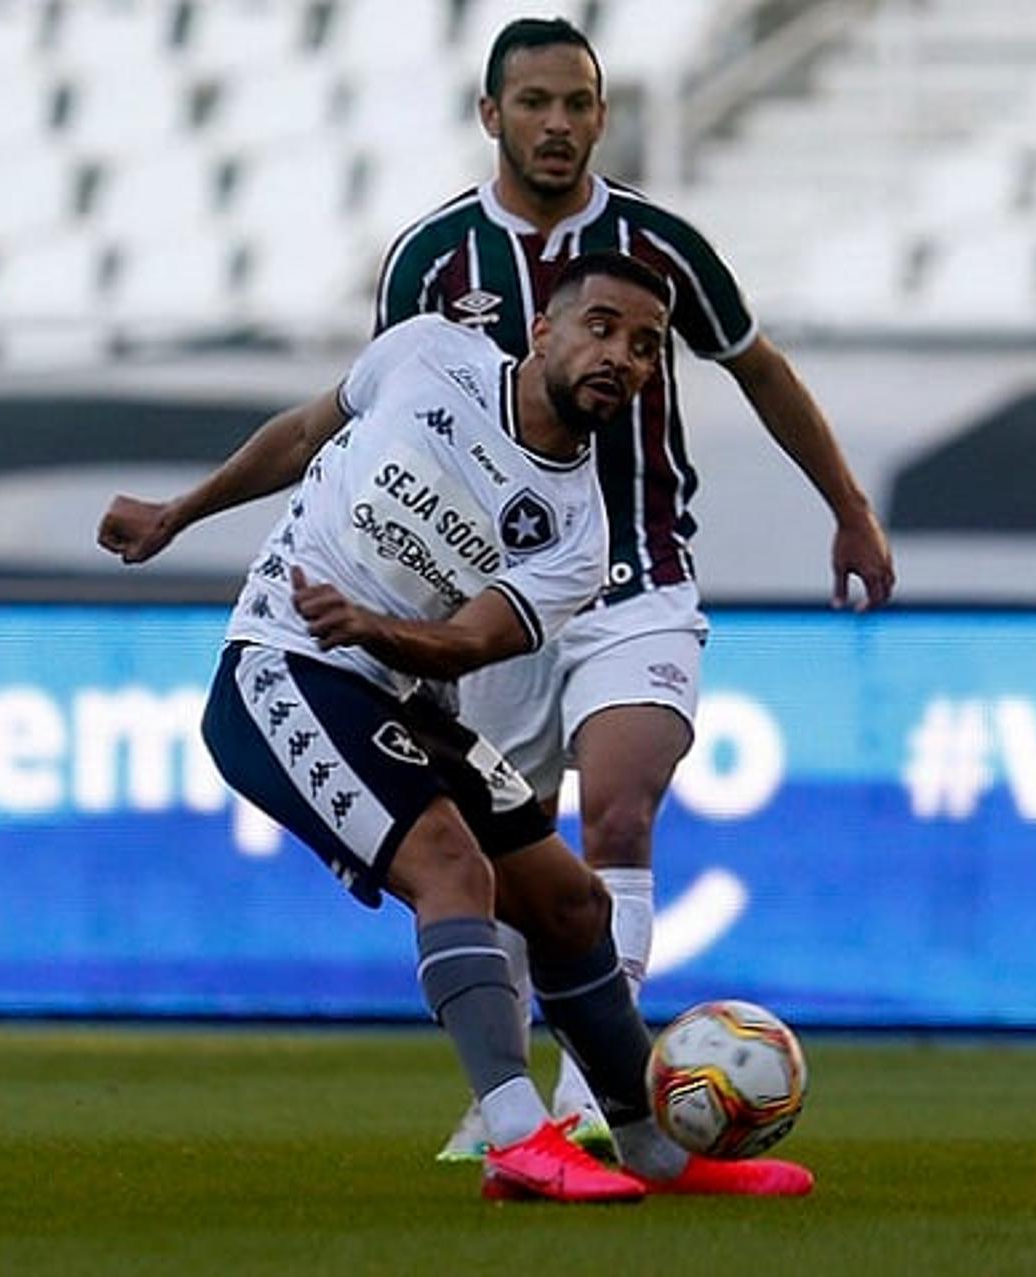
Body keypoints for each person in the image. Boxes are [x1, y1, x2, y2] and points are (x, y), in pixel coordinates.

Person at [99, 251, 813, 1203]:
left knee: (571, 905)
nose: (622, 357)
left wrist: (378, 628)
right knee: (451, 869)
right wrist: (179, 513)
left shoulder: (576, 531)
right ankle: (518, 1136)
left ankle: (649, 1148)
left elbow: (468, 644)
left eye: (645, 349)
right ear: (543, 332)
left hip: (403, 691)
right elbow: (309, 431)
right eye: (602, 328)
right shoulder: (427, 353)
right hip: (280, 666)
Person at [371, 16, 897, 1158]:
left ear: (603, 115)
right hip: (491, 605)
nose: (557, 125)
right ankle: (504, 1090)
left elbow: (758, 368)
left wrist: (849, 509)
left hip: (634, 579)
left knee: (620, 807)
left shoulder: (662, 246)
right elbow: (384, 439)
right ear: (490, 115)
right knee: (520, 854)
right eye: (535, 104)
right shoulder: (429, 262)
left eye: (578, 104)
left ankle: (587, 1089)